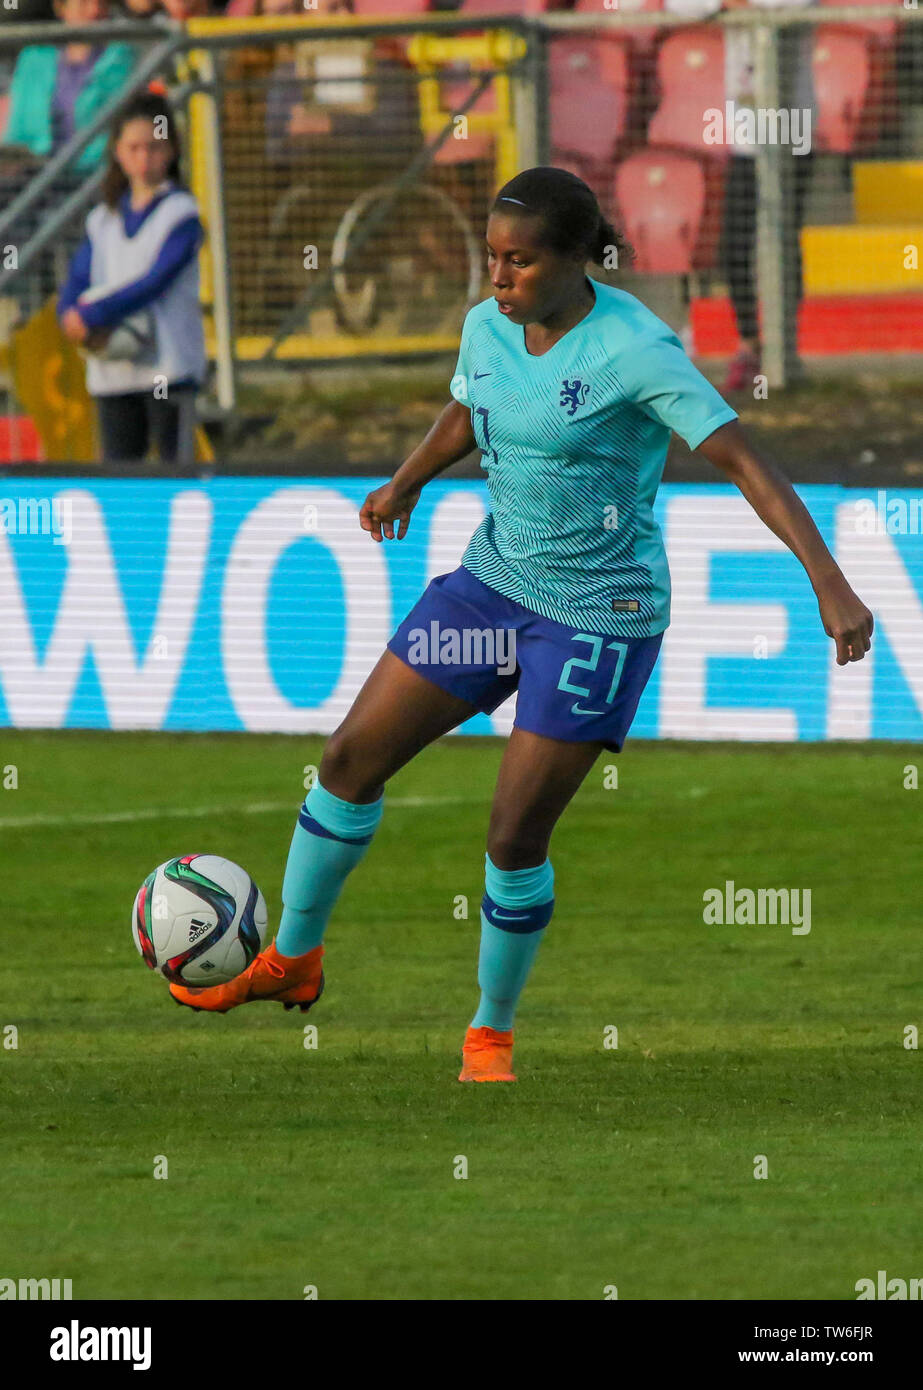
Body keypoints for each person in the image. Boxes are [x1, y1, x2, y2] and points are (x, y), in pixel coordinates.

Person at [167, 166, 873, 1083]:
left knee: (511, 835)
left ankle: (489, 1032)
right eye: (493, 257)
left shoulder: (633, 348)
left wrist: (829, 582)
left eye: (521, 262)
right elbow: (469, 406)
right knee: (347, 761)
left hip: (596, 616)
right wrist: (405, 481)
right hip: (492, 588)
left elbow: (741, 457)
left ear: (579, 261)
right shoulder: (485, 324)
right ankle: (291, 961)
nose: (499, 279)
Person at [664, 0, 816, 391]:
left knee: (783, 241)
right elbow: (680, 5)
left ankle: (785, 347)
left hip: (791, 130)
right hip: (746, 135)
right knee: (734, 245)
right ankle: (750, 343)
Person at [57, 93, 206, 463]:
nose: (144, 158)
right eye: (134, 147)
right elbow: (77, 279)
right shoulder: (102, 219)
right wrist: (67, 314)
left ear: (171, 150)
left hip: (168, 371)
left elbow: (153, 282)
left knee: (177, 479)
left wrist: (91, 315)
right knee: (119, 484)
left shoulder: (181, 214)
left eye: (154, 147)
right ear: (118, 152)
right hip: (114, 374)